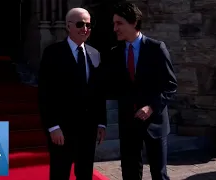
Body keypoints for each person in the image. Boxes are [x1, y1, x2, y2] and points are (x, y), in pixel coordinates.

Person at [102, 2, 177, 180]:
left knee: (159, 174)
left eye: (119, 23)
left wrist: (151, 106)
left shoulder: (156, 48)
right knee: (130, 173)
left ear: (134, 22)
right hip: (128, 123)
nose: (115, 28)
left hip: (155, 123)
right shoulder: (114, 53)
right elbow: (110, 86)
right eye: (114, 24)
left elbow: (170, 85)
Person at [38, 7, 106, 180]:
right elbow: (46, 93)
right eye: (80, 24)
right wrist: (53, 126)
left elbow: (98, 92)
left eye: (89, 25)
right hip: (62, 129)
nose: (85, 29)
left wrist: (102, 123)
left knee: (85, 174)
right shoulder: (53, 53)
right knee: (60, 173)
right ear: (68, 26)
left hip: (88, 130)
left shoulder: (95, 54)